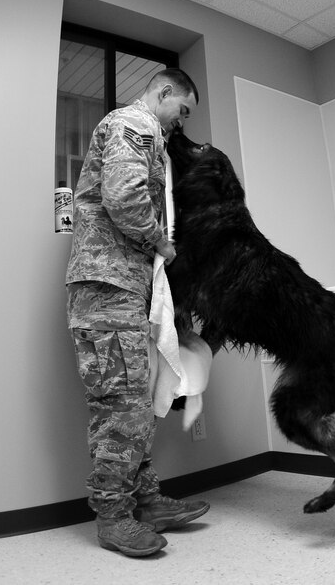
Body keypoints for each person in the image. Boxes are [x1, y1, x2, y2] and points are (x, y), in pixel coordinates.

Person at [65, 68, 208, 557]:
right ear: (163, 92)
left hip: (123, 287)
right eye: (182, 110)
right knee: (121, 404)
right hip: (108, 287)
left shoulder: (151, 135)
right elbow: (124, 198)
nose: (181, 122)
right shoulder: (136, 124)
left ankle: (144, 500)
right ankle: (113, 516)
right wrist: (163, 245)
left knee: (135, 400)